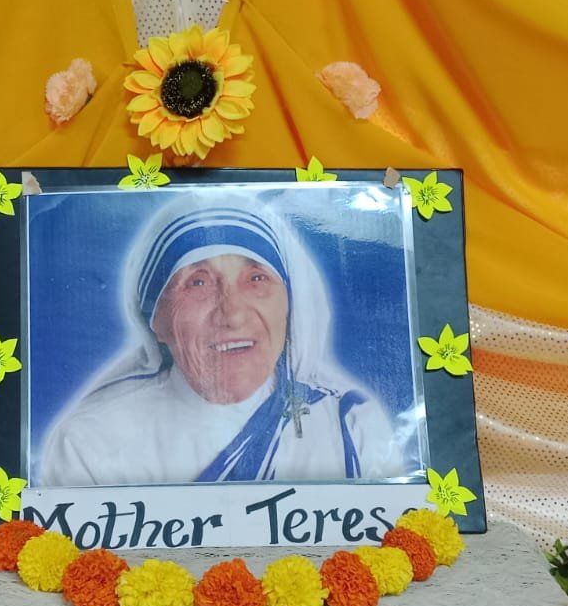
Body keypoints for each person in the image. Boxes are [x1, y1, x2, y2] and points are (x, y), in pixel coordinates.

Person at [38, 197, 408, 486]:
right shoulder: (91, 443)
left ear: (290, 307)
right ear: (155, 320)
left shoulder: (351, 427)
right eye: (198, 282)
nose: (232, 314)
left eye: (256, 279)